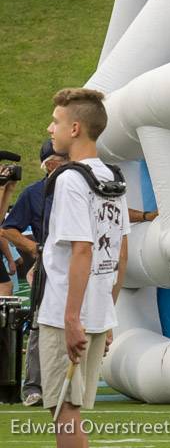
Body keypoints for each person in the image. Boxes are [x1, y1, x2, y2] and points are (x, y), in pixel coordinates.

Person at [39, 88, 130, 447]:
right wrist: (105, 315)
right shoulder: (113, 178)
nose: (50, 128)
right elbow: (121, 252)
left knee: (64, 413)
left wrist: (73, 318)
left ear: (75, 128)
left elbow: (82, 250)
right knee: (69, 410)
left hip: (66, 312)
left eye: (57, 121)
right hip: (96, 310)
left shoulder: (70, 179)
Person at [2, 139, 67, 406]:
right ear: (51, 164)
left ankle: (68, 384)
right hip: (49, 269)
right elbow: (8, 227)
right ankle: (33, 386)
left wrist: (145, 216)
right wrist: (35, 249)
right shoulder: (34, 193)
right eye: (66, 162)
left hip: (80, 265)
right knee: (41, 323)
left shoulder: (83, 189)